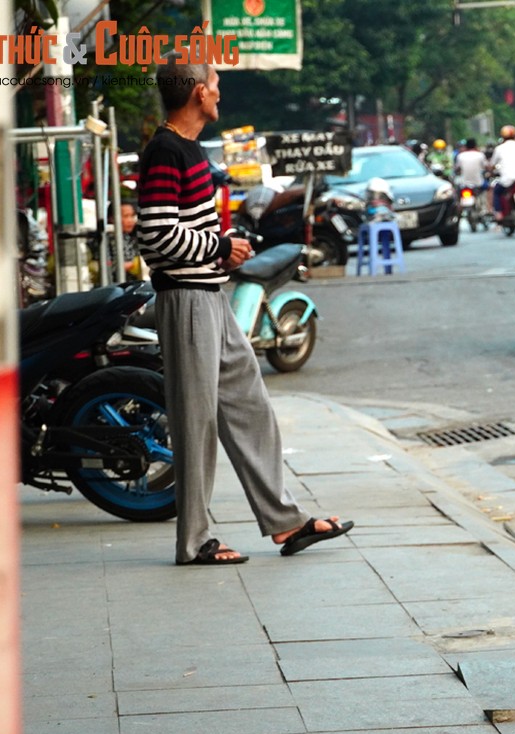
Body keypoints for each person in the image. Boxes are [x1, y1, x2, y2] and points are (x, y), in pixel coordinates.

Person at [137, 53, 353, 566]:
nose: (219, 94)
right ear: (197, 94)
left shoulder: (187, 150)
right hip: (186, 298)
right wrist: (217, 248)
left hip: (211, 295)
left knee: (249, 404)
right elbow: (154, 236)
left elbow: (178, 226)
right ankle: (193, 542)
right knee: (196, 423)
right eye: (215, 85)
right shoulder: (166, 151)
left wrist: (221, 243)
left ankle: (285, 522)